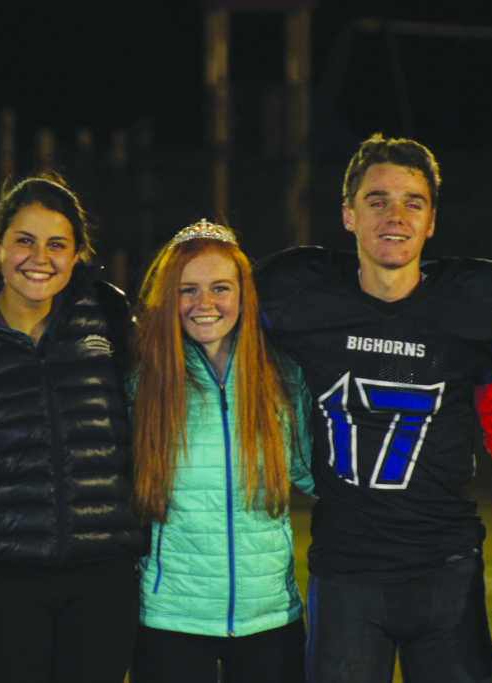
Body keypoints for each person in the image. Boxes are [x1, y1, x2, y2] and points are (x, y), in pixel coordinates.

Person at [255, 134, 492, 683]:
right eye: (377, 200)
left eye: (413, 202)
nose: (396, 216)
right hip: (346, 577)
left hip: (447, 576)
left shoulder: (480, 309)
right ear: (348, 215)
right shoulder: (296, 295)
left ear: (432, 221)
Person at [0, 176, 148, 683]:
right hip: (2, 576)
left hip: (103, 575)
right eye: (25, 240)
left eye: (57, 244)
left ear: (76, 255)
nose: (39, 257)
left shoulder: (111, 318)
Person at [129, 220, 314, 683]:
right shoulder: (141, 380)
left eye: (220, 288)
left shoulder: (282, 376)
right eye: (188, 289)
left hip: (269, 616)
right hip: (169, 618)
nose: (204, 304)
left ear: (244, 295)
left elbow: (317, 476)